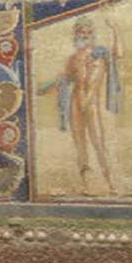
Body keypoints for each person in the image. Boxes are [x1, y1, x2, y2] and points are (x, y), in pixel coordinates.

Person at [39, 16, 121, 194]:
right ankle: (87, 184)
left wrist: (114, 30)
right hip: (75, 102)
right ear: (76, 34)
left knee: (99, 143)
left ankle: (110, 183)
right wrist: (46, 89)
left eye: (88, 32)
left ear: (93, 35)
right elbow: (65, 80)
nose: (84, 35)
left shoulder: (100, 54)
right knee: (80, 144)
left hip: (91, 103)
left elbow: (117, 54)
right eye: (81, 32)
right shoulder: (73, 58)